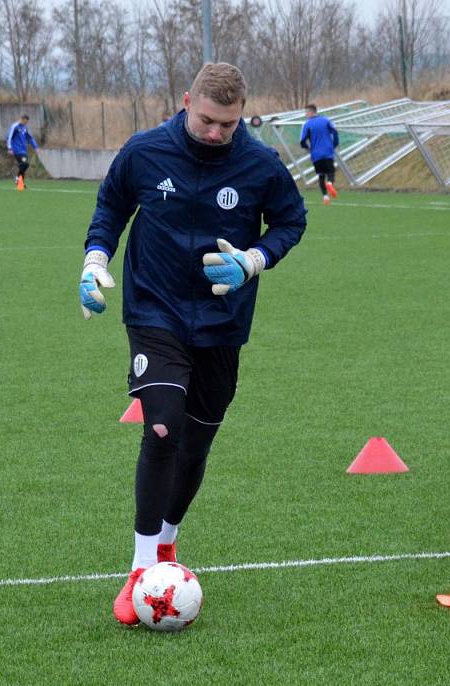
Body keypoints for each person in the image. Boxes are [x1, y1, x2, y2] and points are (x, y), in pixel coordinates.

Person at [78, 62, 307, 625]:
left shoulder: (260, 164)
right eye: (207, 120)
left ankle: (167, 543)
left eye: (227, 125)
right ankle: (139, 568)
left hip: (222, 322)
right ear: (186, 102)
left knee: (197, 445)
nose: (215, 133)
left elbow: (290, 222)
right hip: (154, 311)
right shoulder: (144, 151)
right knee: (162, 427)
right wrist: (93, 261)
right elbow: (111, 207)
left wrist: (252, 262)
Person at [300, 103, 339, 205]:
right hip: (327, 152)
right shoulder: (326, 120)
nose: (305, 114)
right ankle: (330, 184)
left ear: (312, 111)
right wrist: (334, 144)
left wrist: (309, 149)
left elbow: (302, 141)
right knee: (331, 173)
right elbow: (335, 131)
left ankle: (325, 197)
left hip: (316, 155)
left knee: (321, 175)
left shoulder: (307, 124)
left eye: (306, 112)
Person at [6, 114, 39, 189]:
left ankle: (20, 183)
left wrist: (35, 147)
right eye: (25, 121)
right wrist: (10, 148)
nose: (25, 123)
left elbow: (30, 138)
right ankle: (19, 180)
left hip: (23, 150)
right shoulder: (15, 126)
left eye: (26, 122)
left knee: (24, 165)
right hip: (16, 150)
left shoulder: (25, 128)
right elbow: (8, 137)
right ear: (21, 119)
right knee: (24, 164)